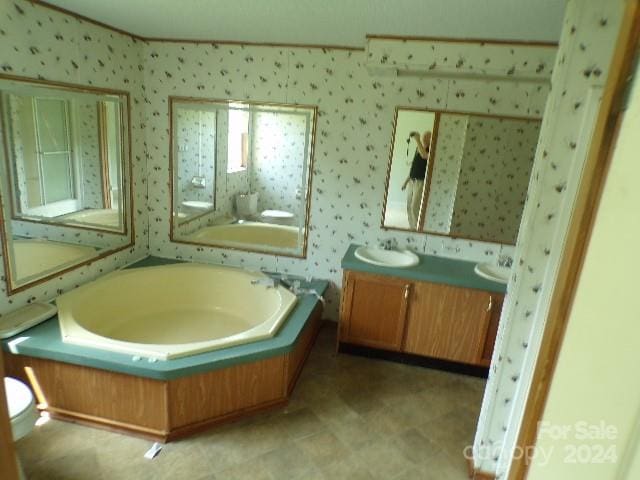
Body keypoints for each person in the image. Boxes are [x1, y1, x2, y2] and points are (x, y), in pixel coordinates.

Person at [401, 130, 431, 229]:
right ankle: (412, 228)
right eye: (423, 136)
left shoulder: (431, 149)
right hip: (412, 181)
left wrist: (417, 139)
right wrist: (406, 182)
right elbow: (413, 166)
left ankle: (418, 228)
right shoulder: (419, 148)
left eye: (427, 137)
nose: (424, 138)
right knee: (409, 205)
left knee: (415, 206)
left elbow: (425, 156)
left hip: (420, 182)